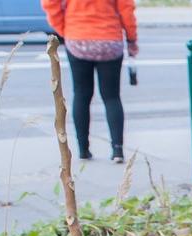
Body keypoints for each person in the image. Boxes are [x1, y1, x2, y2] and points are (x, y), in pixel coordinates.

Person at [42, 0, 138, 163]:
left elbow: (50, 3)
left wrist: (63, 29)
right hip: (109, 38)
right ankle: (117, 150)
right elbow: (126, 9)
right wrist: (131, 38)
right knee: (112, 97)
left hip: (78, 36)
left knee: (81, 93)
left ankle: (83, 149)